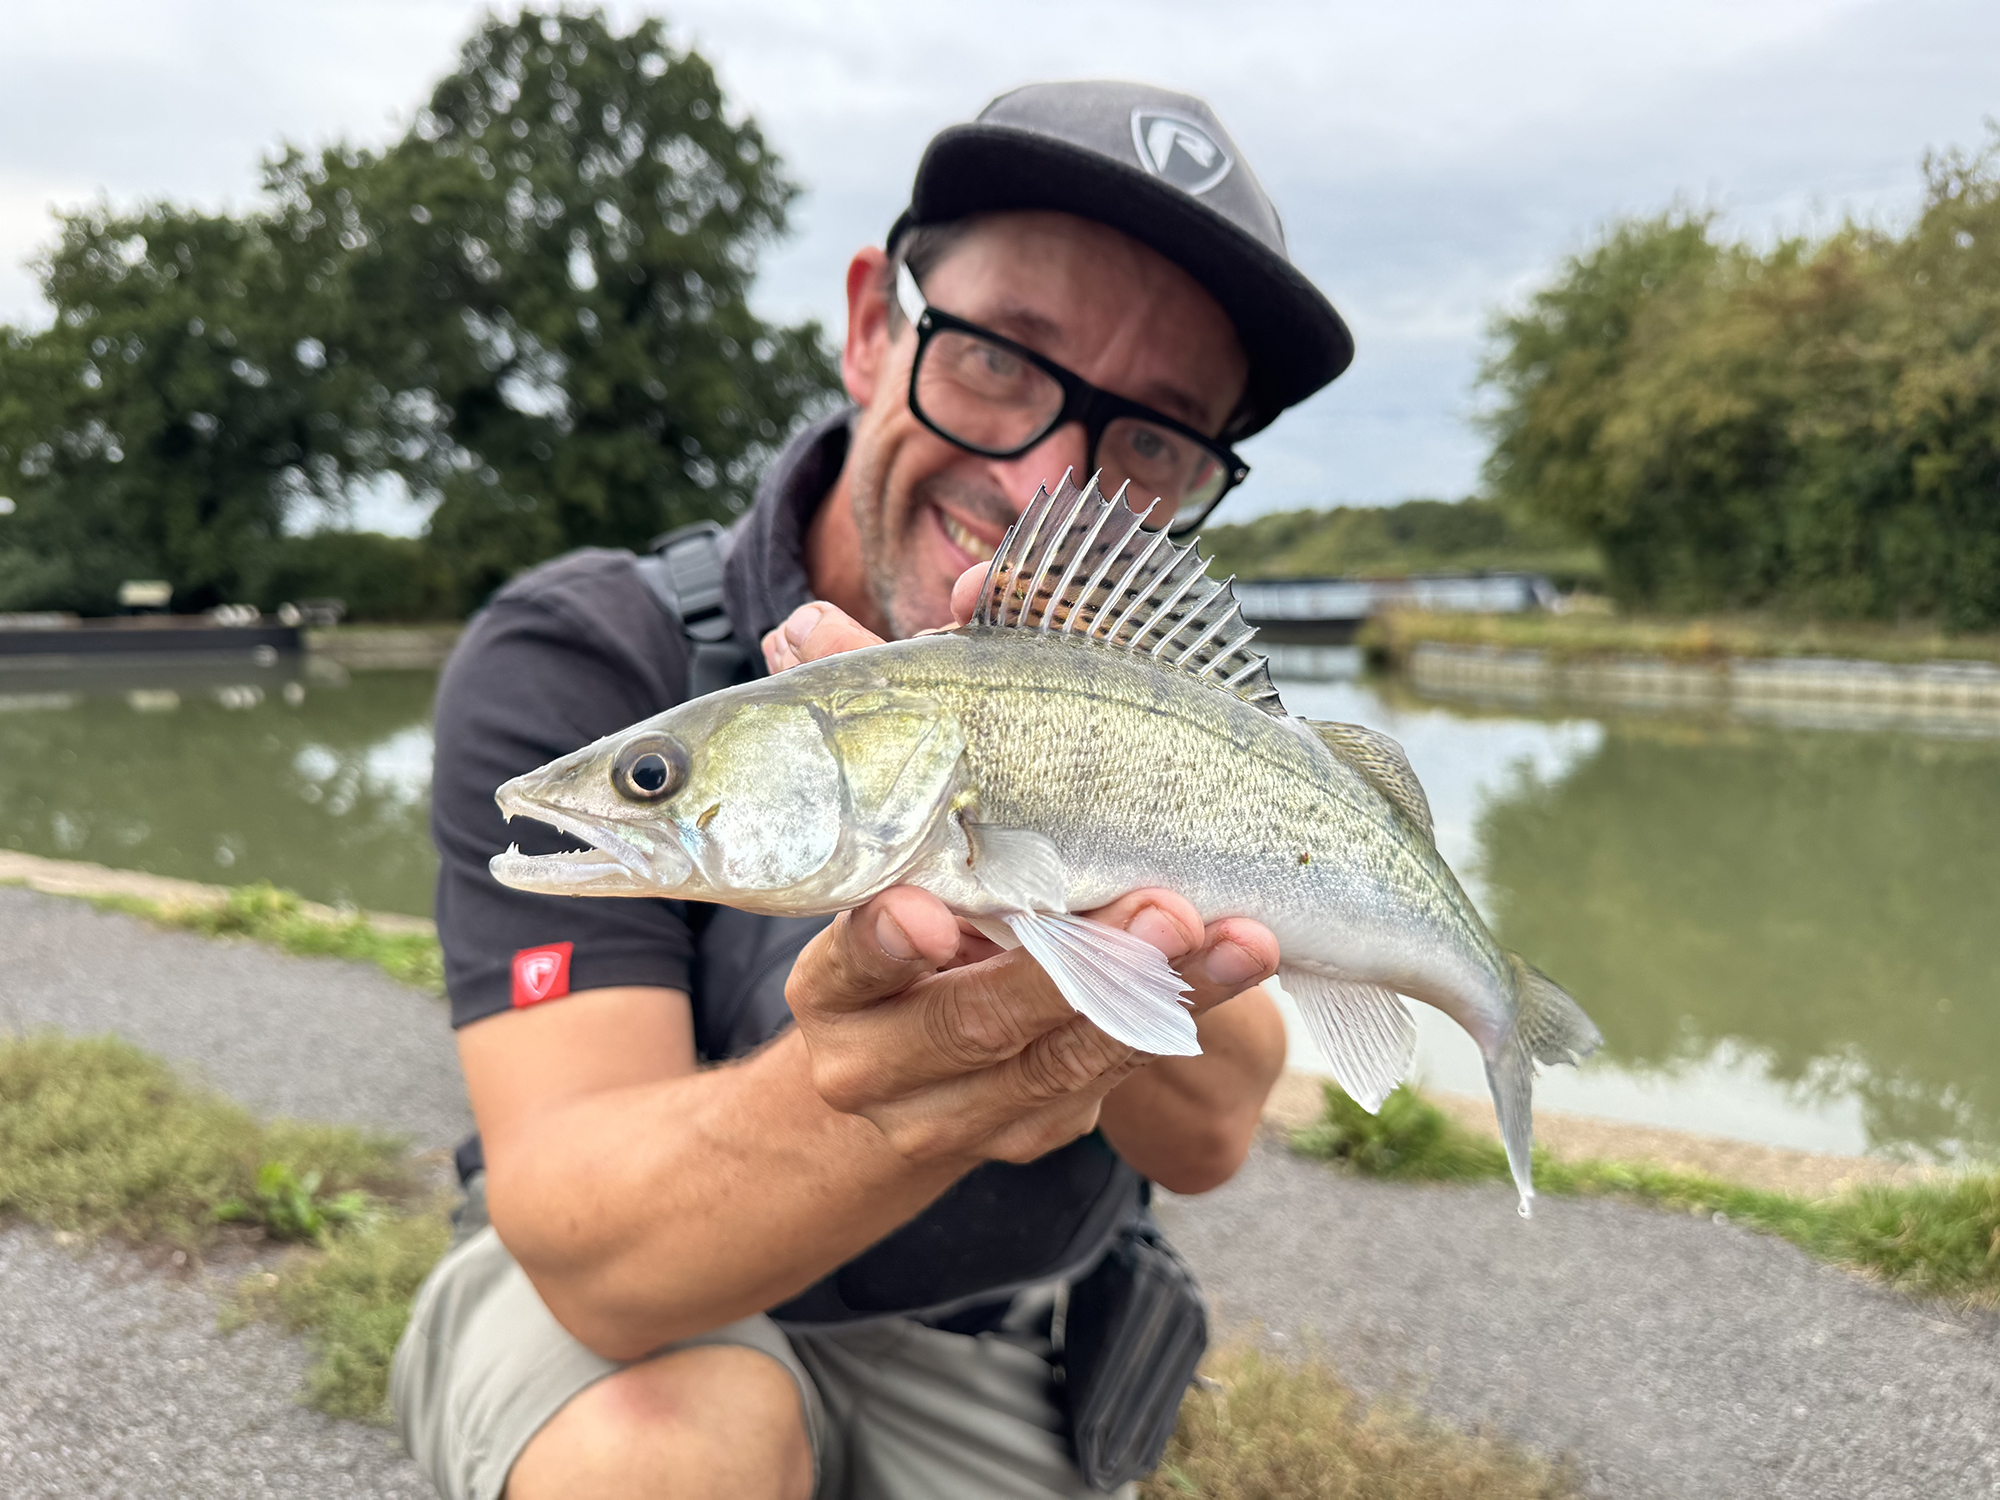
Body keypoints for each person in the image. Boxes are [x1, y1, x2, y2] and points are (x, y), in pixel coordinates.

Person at [392, 79, 1354, 1500]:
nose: (1044, 485)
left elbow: (1212, 1131)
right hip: (650, 1334)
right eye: (999, 360)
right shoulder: (586, 655)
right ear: (869, 328)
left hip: (1002, 1342)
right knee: (651, 1462)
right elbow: (595, 1256)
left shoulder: (1166, 709)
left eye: (1153, 441)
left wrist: (1095, 899)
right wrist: (917, 1089)